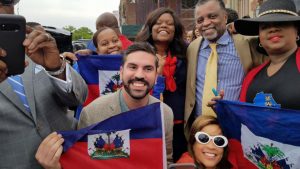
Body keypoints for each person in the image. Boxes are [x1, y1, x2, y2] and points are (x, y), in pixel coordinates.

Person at [35, 42, 174, 168]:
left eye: (148, 69)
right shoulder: (92, 113)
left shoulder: (165, 114)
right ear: (121, 72)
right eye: (132, 67)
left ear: (156, 76)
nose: (139, 75)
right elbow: (84, 162)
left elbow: (164, 160)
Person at [0, 0, 88, 168]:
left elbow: (79, 98)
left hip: (71, 158)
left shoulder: (34, 49)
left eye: (7, 1)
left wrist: (57, 68)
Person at [184, 0, 266, 138]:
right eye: (200, 20)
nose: (205, 23)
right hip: (200, 130)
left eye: (212, 16)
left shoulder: (247, 44)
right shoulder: (192, 48)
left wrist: (241, 26)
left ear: (225, 17)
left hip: (236, 128)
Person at [135, 7, 187, 162]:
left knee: (176, 160)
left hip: (178, 123)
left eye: (169, 24)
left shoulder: (186, 52)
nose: (164, 26)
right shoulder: (139, 53)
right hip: (148, 120)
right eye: (159, 23)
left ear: (175, 30)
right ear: (151, 28)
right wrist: (91, 54)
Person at [234, 0, 300, 109]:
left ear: (296, 31)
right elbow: (244, 117)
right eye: (265, 26)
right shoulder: (251, 77)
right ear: (259, 37)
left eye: (281, 23)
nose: (273, 29)